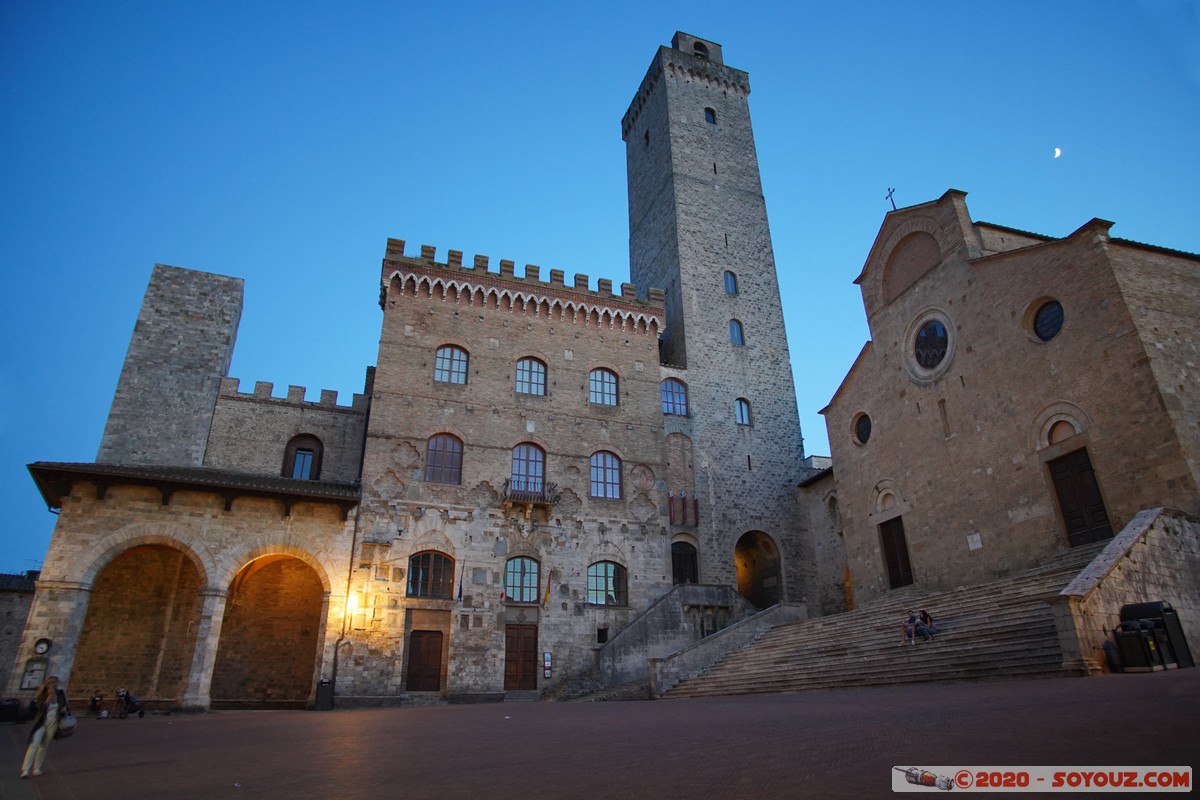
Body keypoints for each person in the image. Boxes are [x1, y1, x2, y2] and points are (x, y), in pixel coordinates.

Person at [21, 675, 70, 779]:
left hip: (53, 723)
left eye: (55, 682)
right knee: (35, 744)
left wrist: (64, 710)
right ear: (47, 684)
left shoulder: (60, 694)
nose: (54, 684)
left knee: (44, 746)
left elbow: (65, 706)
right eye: (51, 682)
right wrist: (49, 697)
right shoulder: (42, 694)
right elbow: (40, 707)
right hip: (41, 722)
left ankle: (37, 768)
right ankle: (26, 770)